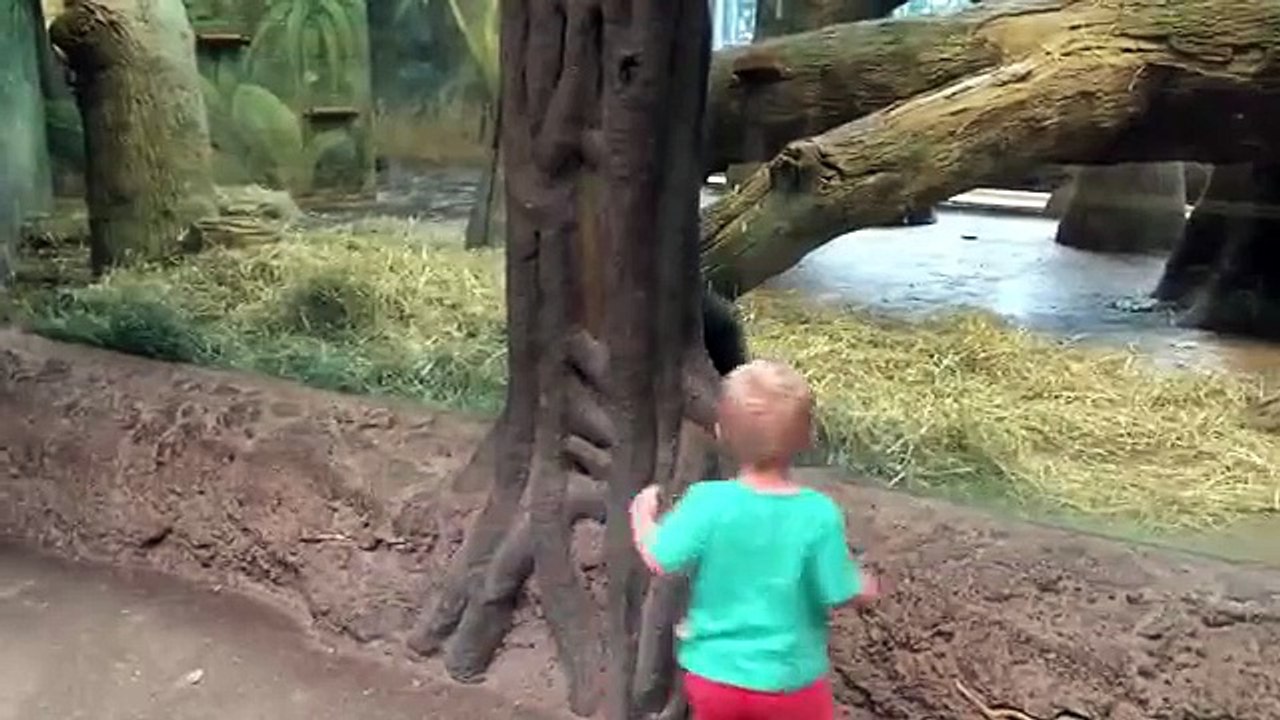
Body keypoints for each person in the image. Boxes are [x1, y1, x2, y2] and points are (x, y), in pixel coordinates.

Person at [629, 359, 880, 720]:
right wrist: (865, 587)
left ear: (719, 432)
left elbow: (659, 556)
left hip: (715, 677)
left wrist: (641, 514)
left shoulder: (707, 502)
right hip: (791, 683)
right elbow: (837, 591)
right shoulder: (818, 514)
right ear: (808, 437)